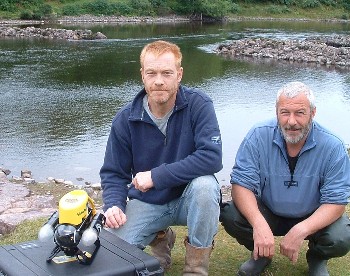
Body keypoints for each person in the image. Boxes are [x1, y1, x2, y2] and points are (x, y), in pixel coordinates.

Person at [100, 40, 222, 275]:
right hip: (148, 201)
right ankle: (161, 236)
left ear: (179, 74)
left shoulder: (200, 105)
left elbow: (212, 158)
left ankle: (195, 269)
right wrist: (114, 204)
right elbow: (114, 173)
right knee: (110, 252)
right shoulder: (124, 119)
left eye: (167, 73)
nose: (158, 81)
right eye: (151, 73)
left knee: (207, 187)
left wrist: (156, 176)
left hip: (191, 199)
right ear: (142, 76)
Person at [220, 81, 350, 276]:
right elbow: (241, 183)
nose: (291, 121)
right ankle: (262, 254)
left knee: (342, 236)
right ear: (276, 112)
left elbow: (336, 201)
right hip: (269, 211)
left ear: (313, 113)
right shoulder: (257, 135)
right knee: (231, 215)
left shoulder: (333, 146)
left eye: (299, 113)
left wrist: (302, 229)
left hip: (312, 216)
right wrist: (258, 223)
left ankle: (317, 257)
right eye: (285, 112)